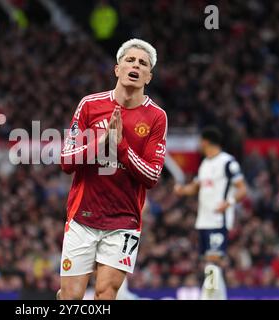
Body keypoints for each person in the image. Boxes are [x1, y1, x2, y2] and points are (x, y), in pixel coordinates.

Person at [59, 38, 168, 300]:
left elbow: (152, 175)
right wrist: (100, 142)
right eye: (130, 60)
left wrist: (120, 147)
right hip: (82, 217)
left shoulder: (157, 117)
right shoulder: (90, 105)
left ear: (148, 77)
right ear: (117, 69)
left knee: (105, 293)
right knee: (70, 297)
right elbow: (66, 161)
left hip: (124, 222)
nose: (136, 65)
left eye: (143, 63)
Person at [174, 126, 247, 300]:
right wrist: (182, 190)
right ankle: (218, 296)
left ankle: (209, 296)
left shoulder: (228, 162)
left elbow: (242, 189)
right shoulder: (205, 163)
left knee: (213, 261)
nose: (198, 144)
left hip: (218, 220)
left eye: (200, 141)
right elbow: (196, 187)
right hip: (203, 220)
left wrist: (228, 203)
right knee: (210, 262)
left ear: (205, 141)